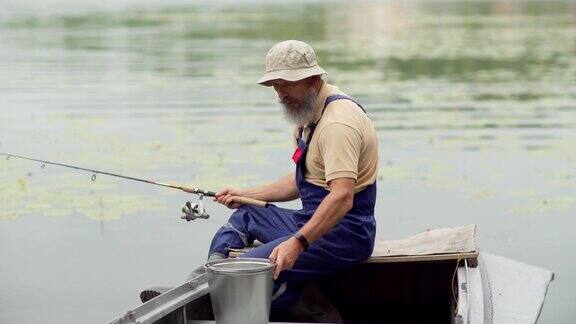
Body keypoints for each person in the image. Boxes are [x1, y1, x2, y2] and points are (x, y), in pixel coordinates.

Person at [209, 40, 379, 312]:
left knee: (251, 272)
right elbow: (301, 181)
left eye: (286, 84)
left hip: (346, 234)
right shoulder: (307, 116)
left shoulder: (337, 124)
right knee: (245, 215)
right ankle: (210, 281)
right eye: (275, 86)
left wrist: (297, 243)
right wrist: (245, 195)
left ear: (312, 79)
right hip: (312, 220)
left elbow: (343, 196)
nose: (280, 94)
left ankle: (310, 308)